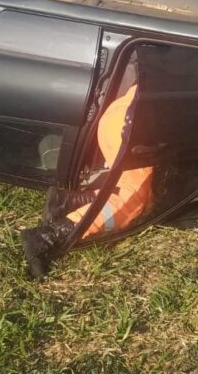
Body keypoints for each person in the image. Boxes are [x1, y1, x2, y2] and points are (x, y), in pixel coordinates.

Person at [20, 83, 154, 278]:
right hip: (132, 124)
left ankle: (69, 201)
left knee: (140, 191)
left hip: (124, 114)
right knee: (136, 200)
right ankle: (46, 238)